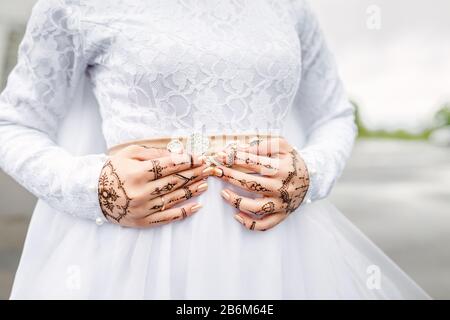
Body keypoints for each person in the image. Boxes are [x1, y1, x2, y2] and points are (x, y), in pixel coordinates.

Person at [0, 0, 429, 299]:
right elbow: (13, 124)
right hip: (135, 254)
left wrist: (309, 174)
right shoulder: (78, 3)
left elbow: (335, 114)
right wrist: (94, 186)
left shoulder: (290, 6)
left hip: (280, 250)